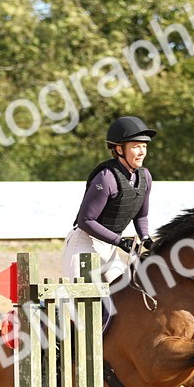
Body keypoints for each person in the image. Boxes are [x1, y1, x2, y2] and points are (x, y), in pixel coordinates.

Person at [63, 116, 156, 291]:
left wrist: (146, 238)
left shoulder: (145, 177)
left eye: (144, 146)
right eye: (136, 146)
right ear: (119, 149)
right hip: (84, 244)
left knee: (124, 297)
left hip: (110, 247)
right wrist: (120, 241)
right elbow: (86, 220)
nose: (142, 151)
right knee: (79, 301)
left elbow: (141, 215)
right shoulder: (106, 177)